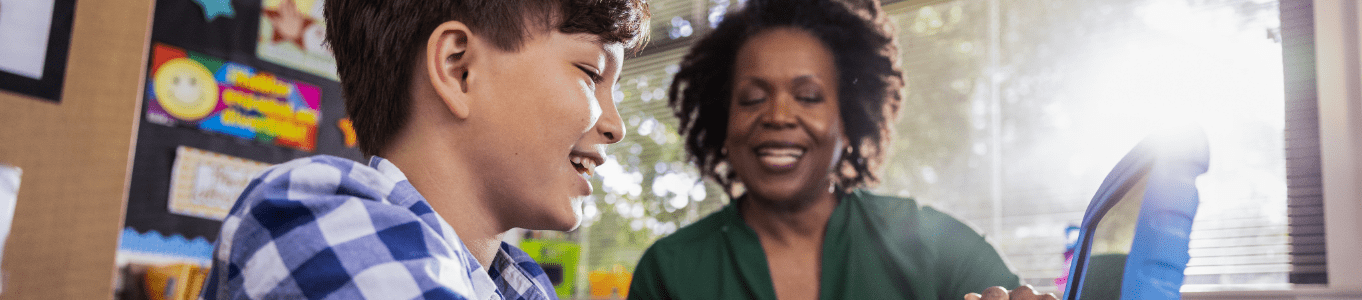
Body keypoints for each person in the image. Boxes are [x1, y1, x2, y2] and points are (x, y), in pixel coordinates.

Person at [197, 1, 648, 299]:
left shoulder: (514, 285)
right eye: (591, 74)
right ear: (459, 69)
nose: (616, 126)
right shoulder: (320, 225)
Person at [626, 0, 1053, 299]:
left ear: (848, 123)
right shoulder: (670, 271)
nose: (777, 115)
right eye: (753, 98)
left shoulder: (939, 248)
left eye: (808, 96)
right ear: (723, 123)